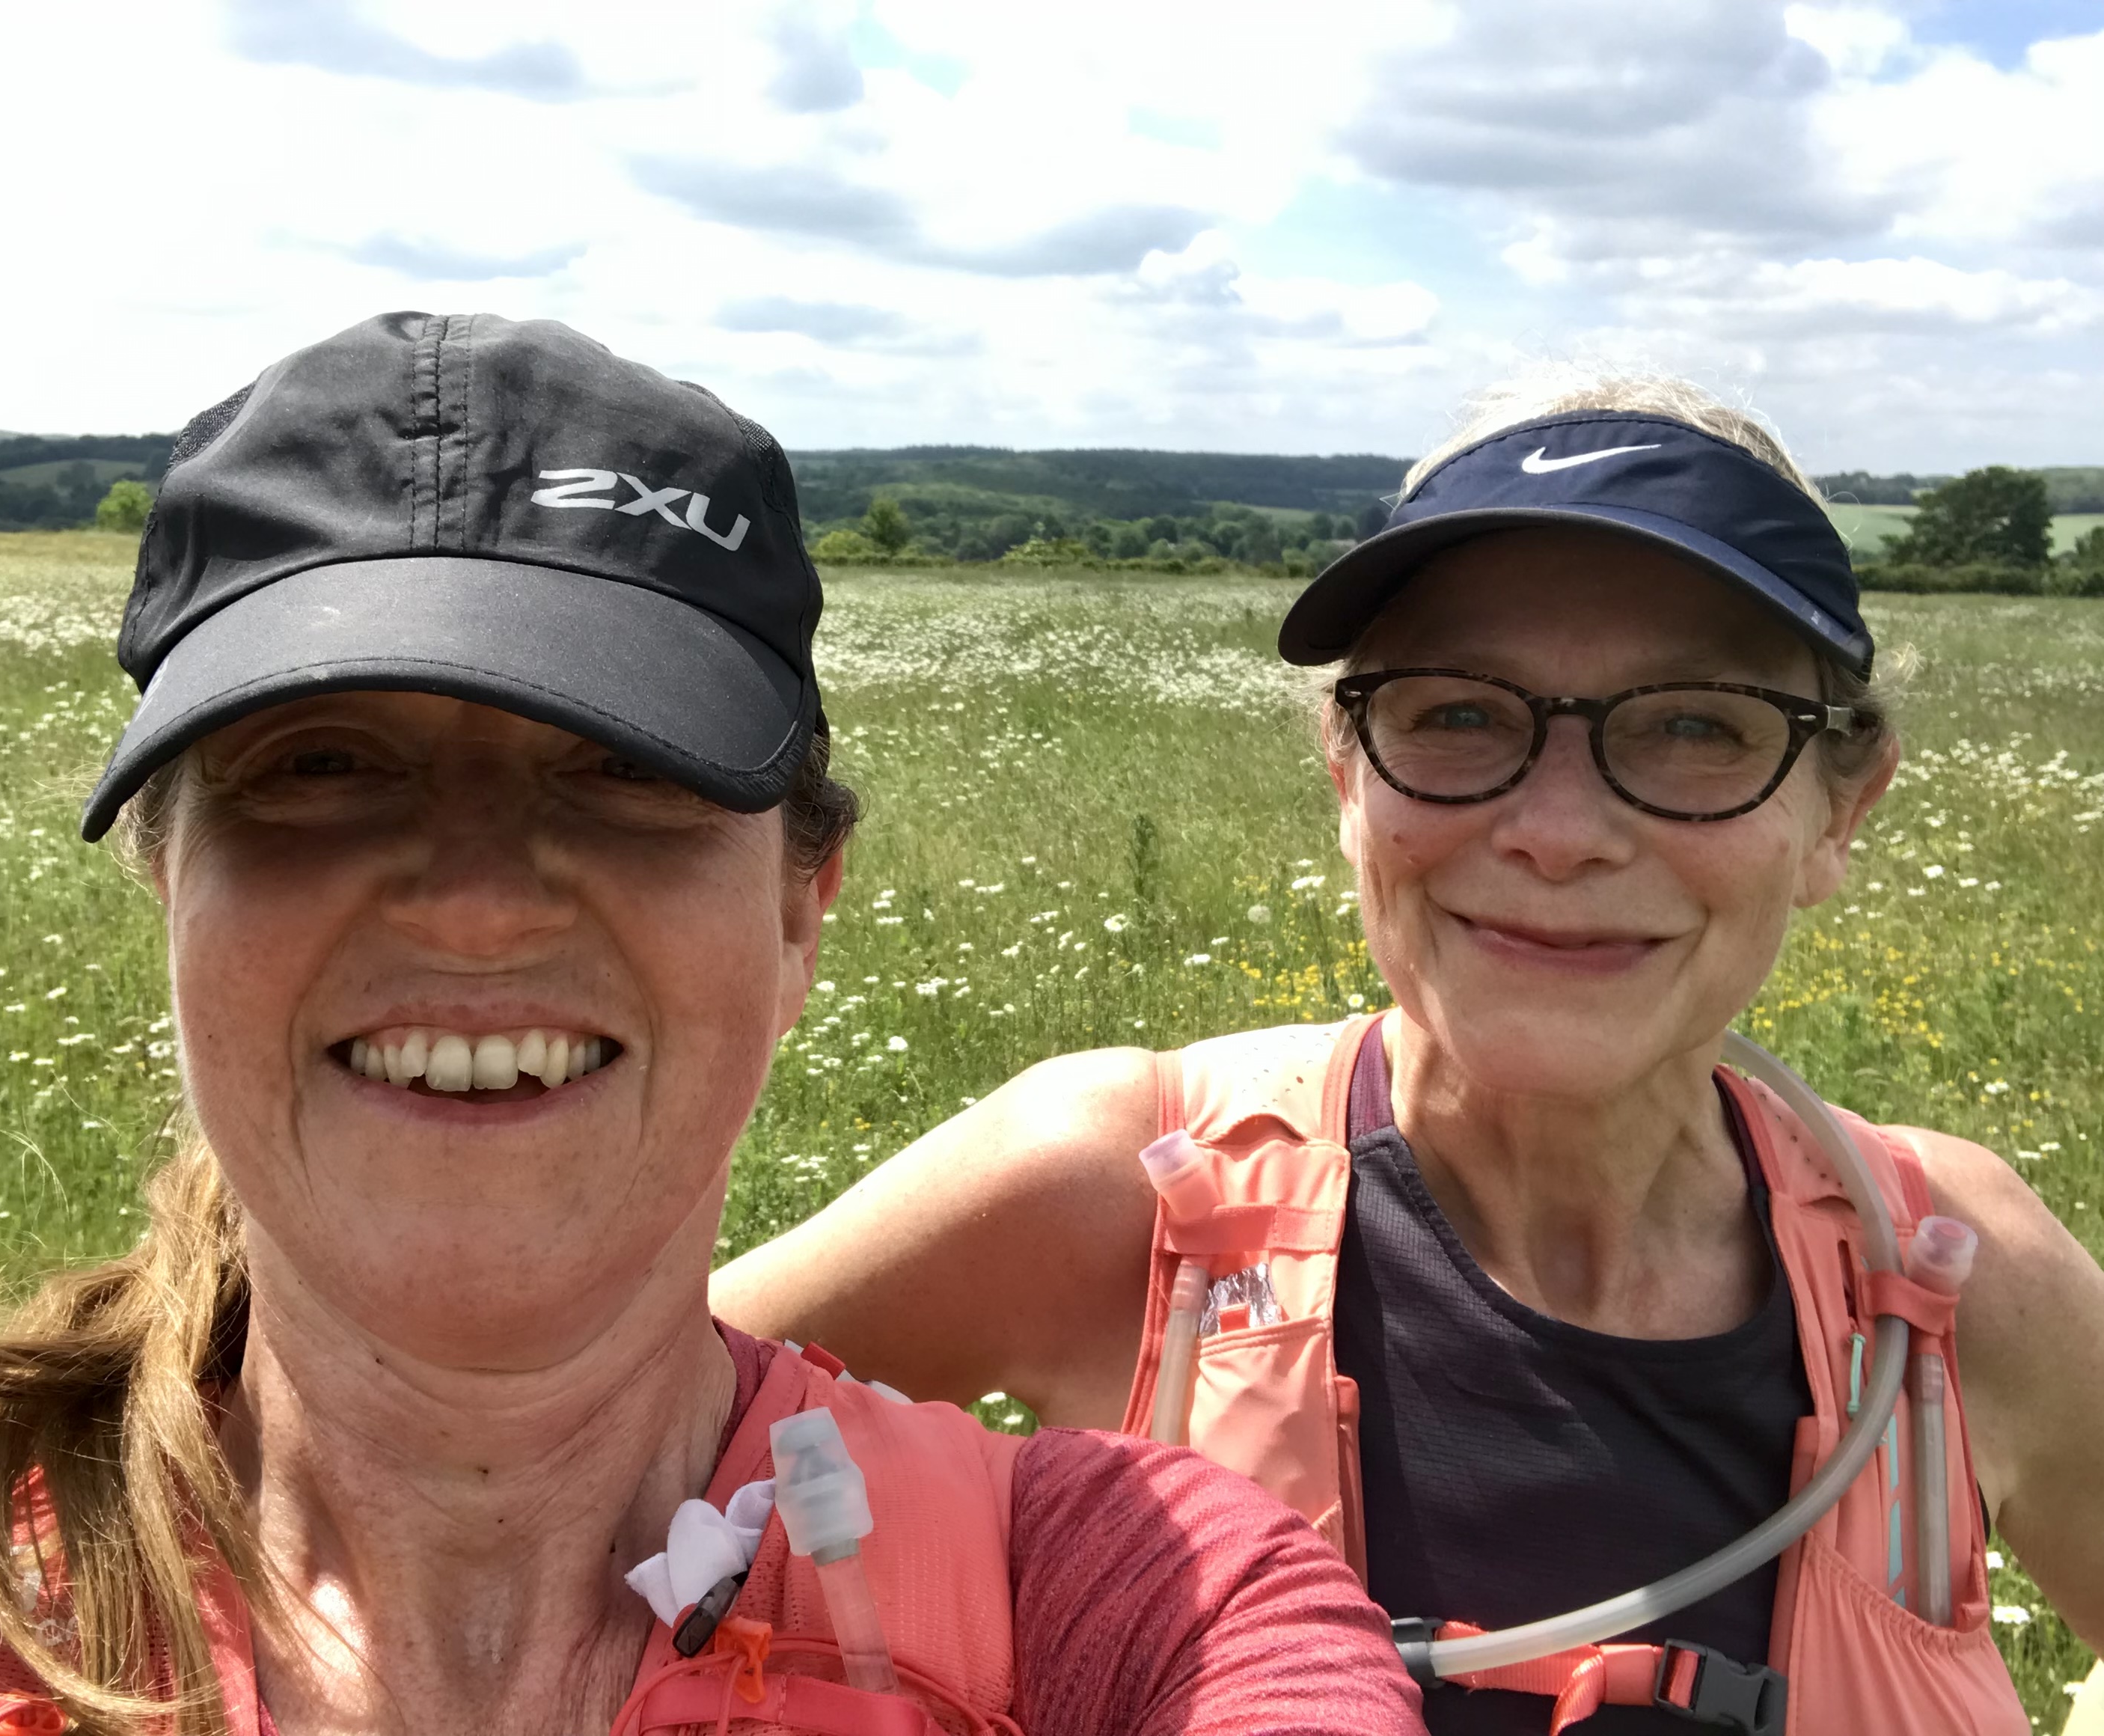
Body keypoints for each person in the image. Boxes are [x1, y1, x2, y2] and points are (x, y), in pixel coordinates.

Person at [0, 314, 1429, 1736]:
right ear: (168, 887)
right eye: (322, 765)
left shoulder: (1133, 1605)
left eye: (624, 767)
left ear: (798, 912)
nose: (476, 905)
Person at [715, 374, 2104, 1733]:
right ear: (1345, 772)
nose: (1558, 832)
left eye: (1695, 725)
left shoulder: (1956, 1275)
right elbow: (598, 1469)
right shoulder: (1127, 1192)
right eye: (1458, 713)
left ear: (1841, 811)